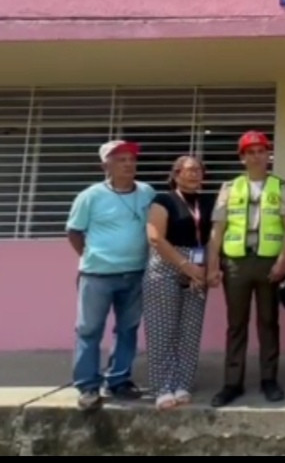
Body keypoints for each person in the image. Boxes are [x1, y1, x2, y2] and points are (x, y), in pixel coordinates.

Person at [208, 130, 285, 408]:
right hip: (236, 262)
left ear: (268, 155)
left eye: (261, 151)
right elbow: (218, 229)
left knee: (268, 322)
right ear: (242, 157)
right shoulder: (229, 187)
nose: (257, 156)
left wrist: (283, 260)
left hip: (268, 262)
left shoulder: (282, 187)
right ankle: (232, 382)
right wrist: (213, 265)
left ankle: (269, 379)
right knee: (236, 324)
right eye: (251, 152)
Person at [65, 140, 156, 411]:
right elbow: (74, 231)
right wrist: (90, 257)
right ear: (106, 165)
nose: (128, 164)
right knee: (89, 329)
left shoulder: (147, 192)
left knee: (127, 329)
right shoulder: (90, 196)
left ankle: (119, 380)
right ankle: (88, 386)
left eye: (131, 159)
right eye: (121, 160)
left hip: (136, 273)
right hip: (98, 275)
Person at [144, 155, 215, 410]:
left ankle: (184, 383)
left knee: (190, 330)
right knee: (162, 330)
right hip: (166, 265)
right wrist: (185, 265)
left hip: (198, 266)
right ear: (176, 174)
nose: (194, 174)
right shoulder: (163, 200)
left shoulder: (208, 201)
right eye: (189, 170)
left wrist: (207, 269)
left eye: (198, 170)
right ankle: (163, 387)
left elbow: (212, 238)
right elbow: (155, 237)